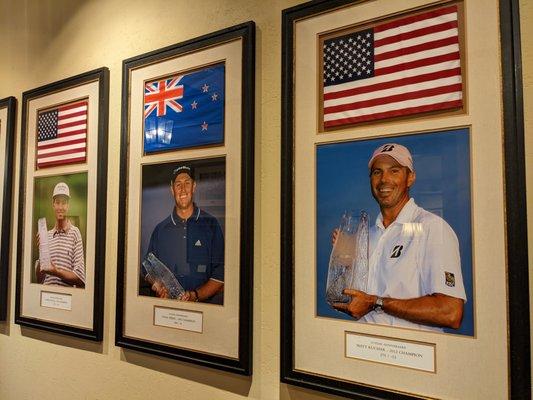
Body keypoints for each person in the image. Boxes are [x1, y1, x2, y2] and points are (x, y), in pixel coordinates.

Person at [332, 143, 466, 332]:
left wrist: (375, 303)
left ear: (410, 178)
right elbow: (351, 302)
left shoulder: (432, 228)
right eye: (377, 172)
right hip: (363, 350)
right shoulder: (366, 236)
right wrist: (343, 262)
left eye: (394, 171)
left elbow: (450, 313)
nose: (384, 179)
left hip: (409, 356)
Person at [142, 164, 224, 304]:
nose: (183, 189)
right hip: (167, 311)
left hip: (204, 313)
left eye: (187, 183)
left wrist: (195, 295)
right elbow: (146, 269)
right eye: (178, 184)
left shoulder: (211, 225)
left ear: (194, 186)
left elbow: (221, 273)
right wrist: (157, 284)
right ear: (172, 189)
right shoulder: (160, 230)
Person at [36, 182, 85, 287]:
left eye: (64, 203)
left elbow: (80, 278)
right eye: (57, 202)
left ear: (68, 206)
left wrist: (56, 272)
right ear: (53, 204)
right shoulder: (47, 236)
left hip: (65, 300)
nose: (60, 207)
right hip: (46, 297)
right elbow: (40, 280)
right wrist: (41, 253)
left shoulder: (75, 233)